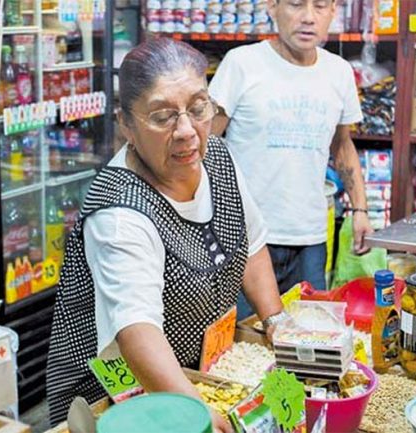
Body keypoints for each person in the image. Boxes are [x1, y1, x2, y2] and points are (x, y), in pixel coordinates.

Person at [46, 38, 287, 432]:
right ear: (126, 124)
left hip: (194, 372)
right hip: (114, 400)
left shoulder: (218, 158)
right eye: (162, 117)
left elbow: (251, 243)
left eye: (198, 107)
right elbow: (136, 332)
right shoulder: (120, 212)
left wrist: (276, 323)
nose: (187, 131)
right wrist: (197, 413)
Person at [209, 0, 374, 302]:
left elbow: (342, 144)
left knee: (307, 336)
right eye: (296, 5)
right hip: (246, 237)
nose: (308, 18)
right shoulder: (241, 64)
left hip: (310, 237)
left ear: (333, 12)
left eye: (321, 7)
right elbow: (206, 142)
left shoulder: (338, 72)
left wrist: (360, 210)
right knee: (245, 342)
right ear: (272, 7)